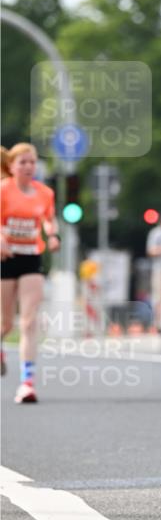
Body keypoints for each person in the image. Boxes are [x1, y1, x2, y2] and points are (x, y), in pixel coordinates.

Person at [1, 143, 60, 399]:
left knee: (28, 321)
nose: (28, 167)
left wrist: (53, 235)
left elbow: (49, 218)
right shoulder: (3, 190)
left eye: (32, 162)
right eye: (22, 162)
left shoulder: (45, 193)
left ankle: (27, 382)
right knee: (5, 323)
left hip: (31, 257)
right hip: (5, 259)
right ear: (11, 166)